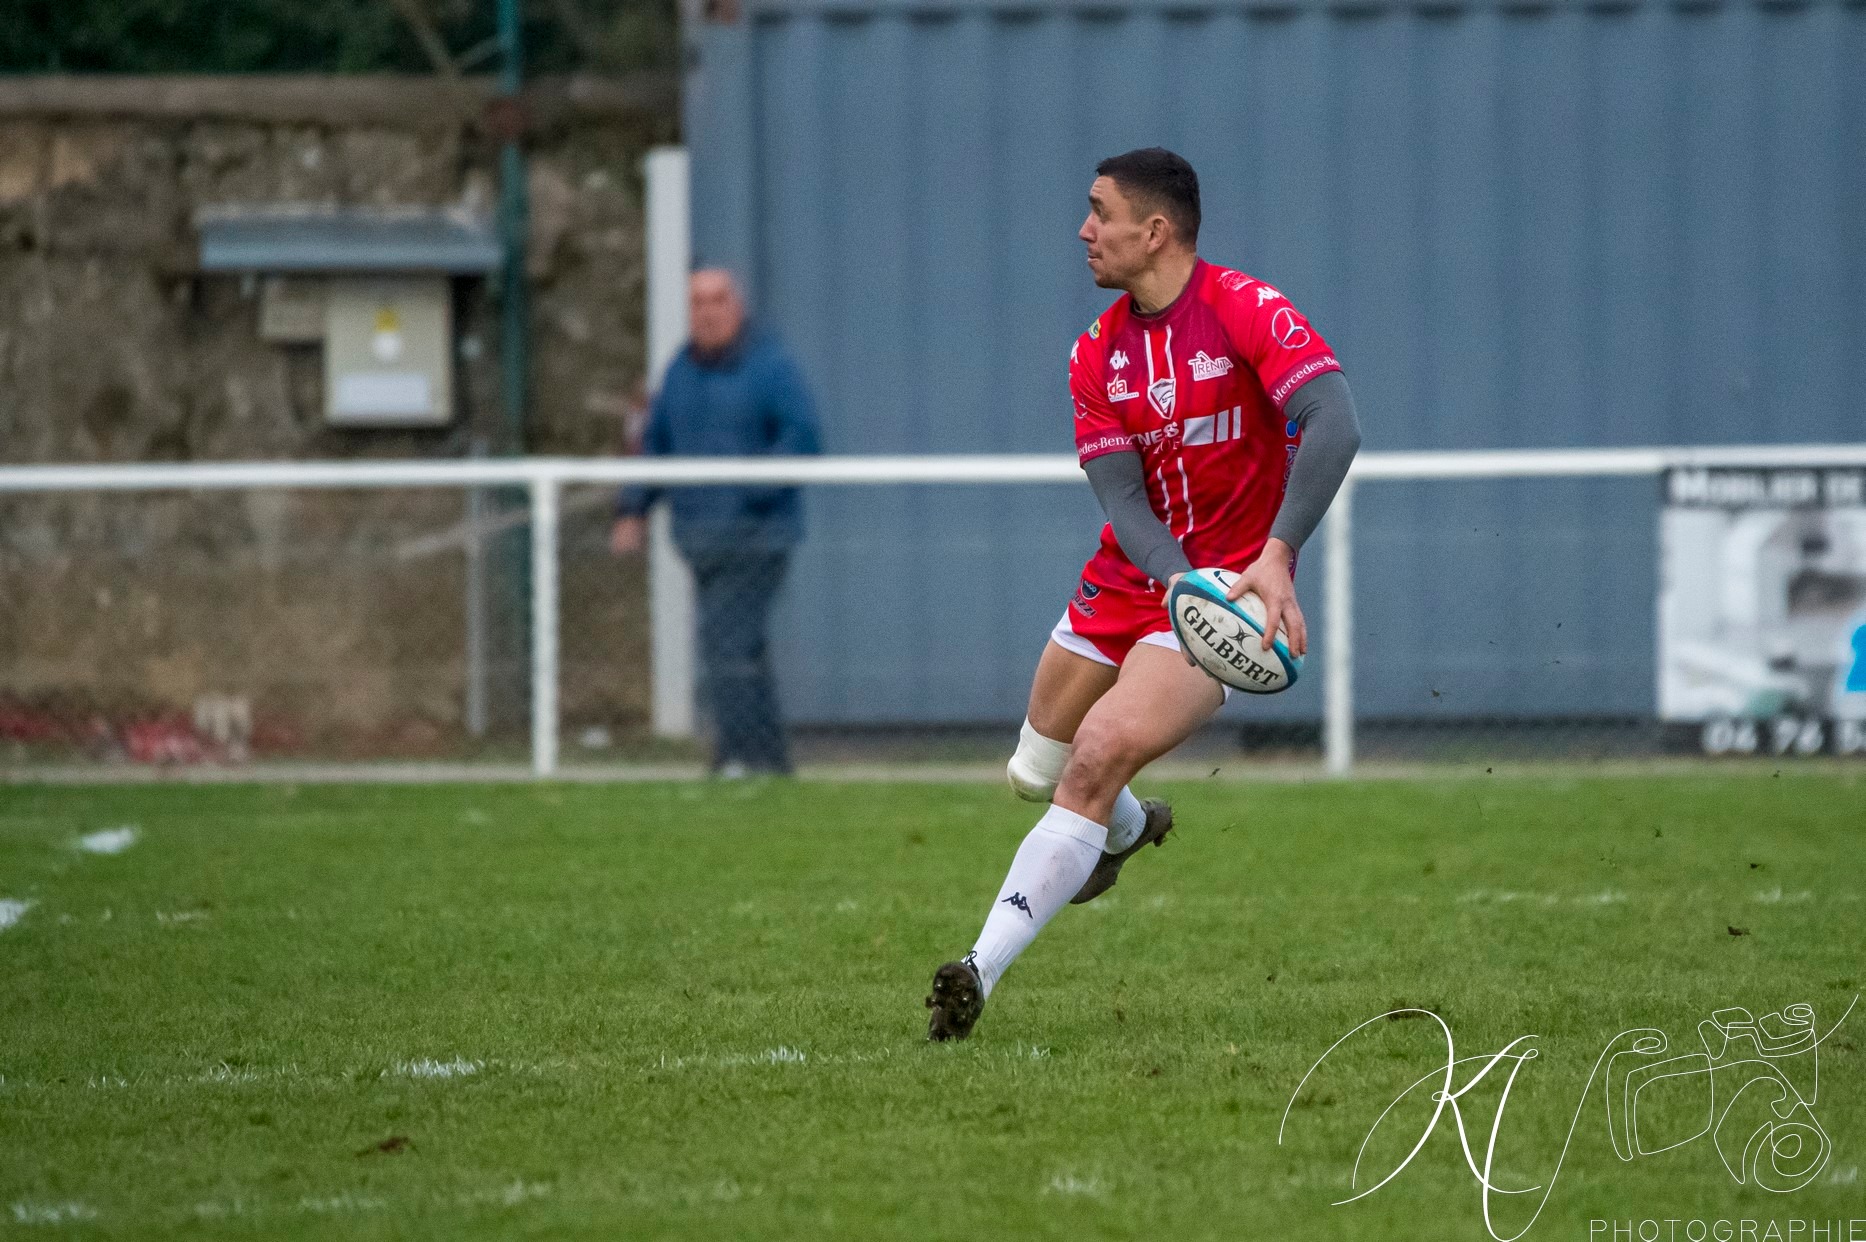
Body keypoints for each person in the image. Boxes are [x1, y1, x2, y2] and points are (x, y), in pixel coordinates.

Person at [924, 149, 1362, 1040]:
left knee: (1095, 756)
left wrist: (1275, 556)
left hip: (1229, 593)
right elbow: (1121, 499)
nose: (1083, 231)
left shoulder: (1246, 310)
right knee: (1034, 772)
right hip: (1139, 577)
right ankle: (1123, 834)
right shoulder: (1095, 353)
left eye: (1099, 212)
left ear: (1153, 231)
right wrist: (1172, 579)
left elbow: (1335, 423)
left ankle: (975, 971)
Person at [612, 268, 823, 777]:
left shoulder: (771, 368)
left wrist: (748, 492)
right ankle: (769, 762)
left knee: (726, 645)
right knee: (741, 649)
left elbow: (802, 437)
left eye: (718, 299)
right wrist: (632, 508)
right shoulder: (681, 372)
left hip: (756, 538)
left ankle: (737, 757)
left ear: (738, 305)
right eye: (697, 301)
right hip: (700, 540)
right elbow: (657, 446)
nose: (707, 311)